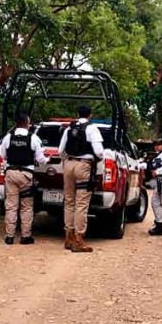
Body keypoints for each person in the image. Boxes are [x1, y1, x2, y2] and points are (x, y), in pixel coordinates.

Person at [57, 105, 104, 253]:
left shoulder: (69, 129)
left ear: (77, 114)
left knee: (69, 202)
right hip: (83, 166)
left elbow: (60, 151)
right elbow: (99, 152)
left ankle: (68, 237)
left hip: (68, 165)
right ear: (90, 115)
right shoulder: (92, 129)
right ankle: (78, 240)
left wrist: (67, 160)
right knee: (81, 204)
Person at [0, 113, 47, 245]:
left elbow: (3, 155)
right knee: (26, 206)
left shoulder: (8, 137)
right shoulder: (33, 138)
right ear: (27, 123)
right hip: (26, 175)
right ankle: (25, 236)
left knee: (11, 206)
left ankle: (9, 236)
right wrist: (48, 160)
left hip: (11, 173)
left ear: (17, 123)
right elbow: (40, 159)